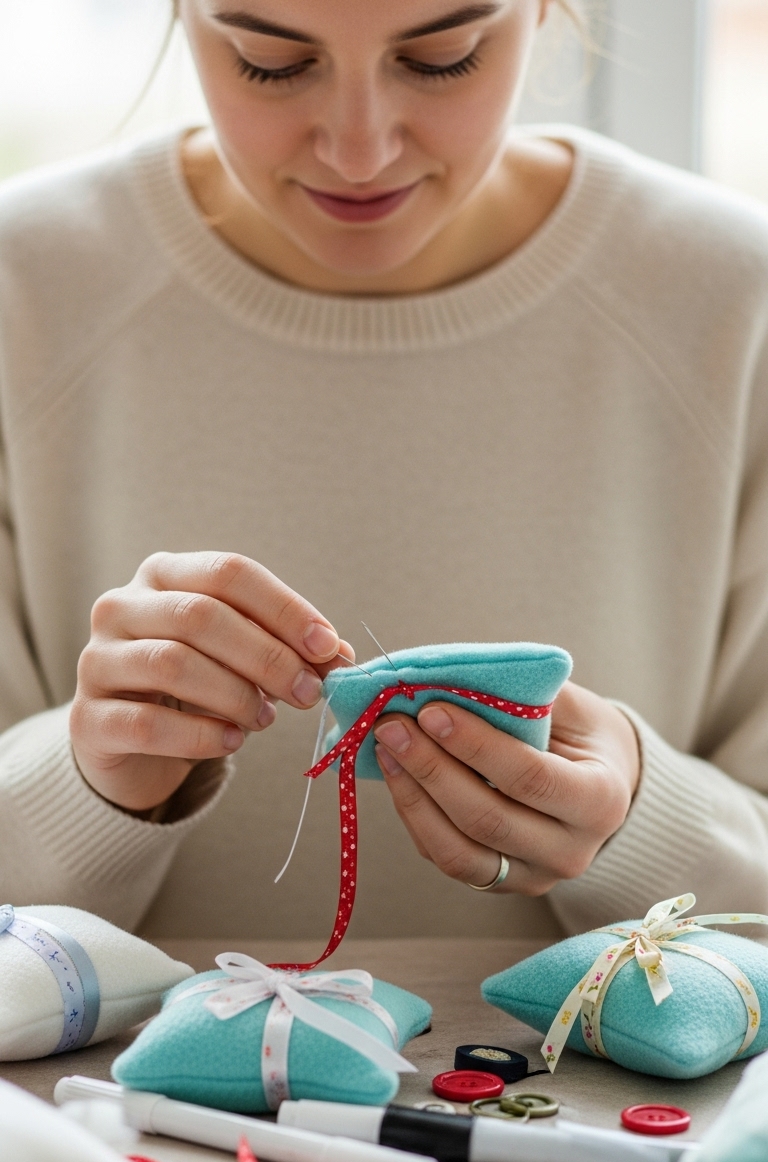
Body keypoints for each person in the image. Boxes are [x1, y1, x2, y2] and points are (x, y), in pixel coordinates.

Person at [0, 0, 767, 949]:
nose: (358, 151)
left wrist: (645, 822)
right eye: (269, 62)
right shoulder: (20, 295)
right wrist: (82, 784)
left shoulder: (738, 304)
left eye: (444, 58)